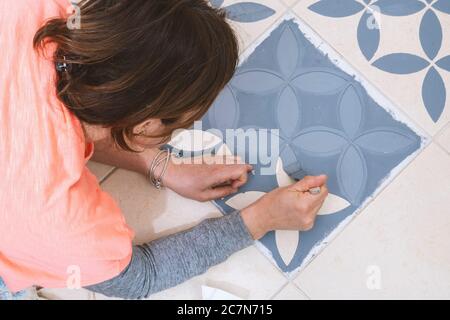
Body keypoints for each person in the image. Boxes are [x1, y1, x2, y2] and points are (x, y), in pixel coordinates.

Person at [0, 0, 328, 299]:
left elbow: (52, 120)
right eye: (177, 127)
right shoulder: (57, 218)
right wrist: (261, 218)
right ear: (145, 124)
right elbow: (140, 278)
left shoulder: (28, 10)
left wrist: (161, 166)